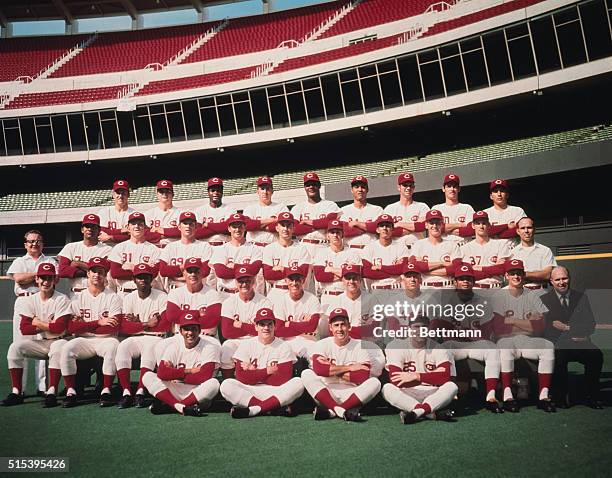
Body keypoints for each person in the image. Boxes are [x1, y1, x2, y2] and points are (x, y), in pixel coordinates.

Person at [430, 264, 502, 412]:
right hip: (455, 343)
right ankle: (451, 394)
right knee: (443, 350)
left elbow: (485, 334)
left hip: (474, 342)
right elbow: (440, 328)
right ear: (455, 282)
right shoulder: (446, 301)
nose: (465, 282)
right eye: (461, 279)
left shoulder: (484, 302)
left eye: (468, 279)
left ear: (473, 282)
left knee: (492, 349)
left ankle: (491, 396)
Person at [3, 263, 72, 408]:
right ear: (37, 279)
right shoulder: (30, 299)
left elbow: (59, 328)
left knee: (57, 348)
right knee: (15, 347)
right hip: (43, 342)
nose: (46, 282)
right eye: (42, 278)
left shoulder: (62, 299)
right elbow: (25, 329)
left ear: (55, 280)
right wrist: (48, 326)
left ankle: (51, 392)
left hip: (60, 340)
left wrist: (38, 322)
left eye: (49, 278)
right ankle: (16, 391)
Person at [492, 259, 555, 413]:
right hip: (505, 340)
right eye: (512, 273)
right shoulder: (498, 295)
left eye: (519, 273)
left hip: (527, 340)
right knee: (506, 347)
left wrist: (511, 320)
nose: (516, 276)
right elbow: (499, 328)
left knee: (548, 347)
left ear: (523, 275)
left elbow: (540, 326)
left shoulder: (532, 295)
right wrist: (527, 323)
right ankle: (507, 396)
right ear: (506, 275)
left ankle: (543, 396)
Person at [220, 308, 304, 418]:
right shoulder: (246, 345)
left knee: (298, 383)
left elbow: (282, 380)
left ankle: (254, 410)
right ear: (256, 327)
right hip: (251, 390)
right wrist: (267, 371)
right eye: (262, 324)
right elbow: (241, 377)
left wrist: (254, 371)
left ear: (275, 326)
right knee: (226, 385)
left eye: (270, 324)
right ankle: (270, 408)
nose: (266, 328)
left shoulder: (284, 346)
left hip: (276, 391)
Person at [60, 257, 123, 408]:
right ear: (88, 274)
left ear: (105, 275)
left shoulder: (113, 297)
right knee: (67, 348)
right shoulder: (77, 297)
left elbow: (112, 328)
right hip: (84, 340)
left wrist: (84, 325)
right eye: (93, 271)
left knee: (113, 346)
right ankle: (70, 391)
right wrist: (98, 323)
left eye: (100, 272)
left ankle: (106, 390)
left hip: (106, 339)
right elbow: (70, 327)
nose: (96, 275)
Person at [301, 307, 382, 421]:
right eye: (336, 325)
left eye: (343, 324)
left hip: (352, 394)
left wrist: (331, 369)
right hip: (326, 393)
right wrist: (350, 368)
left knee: (375, 382)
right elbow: (320, 369)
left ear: (349, 326)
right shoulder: (322, 344)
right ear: (330, 328)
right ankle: (341, 410)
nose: (340, 329)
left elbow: (362, 375)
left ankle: (333, 411)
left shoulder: (360, 346)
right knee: (306, 373)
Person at [541, 266, 603, 409]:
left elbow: (590, 325)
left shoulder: (581, 297)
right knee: (558, 355)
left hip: (581, 342)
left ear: (569, 279)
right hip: (560, 344)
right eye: (557, 279)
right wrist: (574, 333)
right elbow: (547, 329)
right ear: (551, 281)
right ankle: (560, 396)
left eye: (564, 278)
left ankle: (591, 396)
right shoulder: (544, 300)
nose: (561, 282)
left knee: (596, 356)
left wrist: (567, 328)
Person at [6, 229, 57, 396]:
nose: (35, 244)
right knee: (21, 343)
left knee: (42, 343)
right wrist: (42, 274)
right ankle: (19, 389)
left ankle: (42, 387)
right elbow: (19, 279)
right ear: (25, 244)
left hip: (44, 301)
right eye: (31, 241)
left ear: (43, 243)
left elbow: (54, 278)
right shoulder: (19, 261)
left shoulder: (50, 259)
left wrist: (33, 277)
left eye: (38, 241)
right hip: (24, 300)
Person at [142, 310, 220, 417]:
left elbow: (204, 376)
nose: (190, 333)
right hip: (175, 389)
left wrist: (176, 375)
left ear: (199, 330)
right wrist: (189, 371)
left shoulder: (209, 347)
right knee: (147, 376)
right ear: (180, 330)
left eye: (194, 329)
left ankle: (172, 406)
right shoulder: (174, 346)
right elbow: (162, 373)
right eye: (186, 329)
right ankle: (182, 407)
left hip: (196, 392)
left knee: (213, 384)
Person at [382, 315, 458, 424]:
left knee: (452, 386)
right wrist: (433, 377)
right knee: (387, 388)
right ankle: (427, 412)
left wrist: (416, 376)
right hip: (407, 393)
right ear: (409, 328)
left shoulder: (438, 348)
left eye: (424, 327)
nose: (420, 330)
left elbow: (445, 377)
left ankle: (416, 412)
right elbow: (395, 380)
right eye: (416, 326)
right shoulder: (397, 346)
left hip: (432, 393)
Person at [115, 263, 169, 409]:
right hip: (137, 336)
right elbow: (125, 327)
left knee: (149, 350)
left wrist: (137, 324)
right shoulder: (129, 298)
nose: (143, 280)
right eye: (139, 277)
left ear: (151, 279)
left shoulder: (162, 297)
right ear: (134, 280)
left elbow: (164, 325)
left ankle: (140, 391)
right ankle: (126, 391)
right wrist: (146, 324)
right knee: (122, 347)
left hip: (156, 337)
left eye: (146, 277)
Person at [219, 265, 273, 377]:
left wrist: (241, 325)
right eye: (241, 281)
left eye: (247, 281)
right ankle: (228, 381)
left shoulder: (264, 302)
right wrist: (252, 328)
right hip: (236, 340)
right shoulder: (229, 302)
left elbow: (265, 331)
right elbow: (226, 332)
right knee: (226, 349)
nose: (244, 284)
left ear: (253, 281)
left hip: (257, 340)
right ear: (235, 282)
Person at [271, 266, 321, 359]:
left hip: (309, 341)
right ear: (286, 281)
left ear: (303, 280)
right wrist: (304, 326)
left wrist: (289, 324)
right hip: (287, 341)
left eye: (297, 279)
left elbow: (312, 326)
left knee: (315, 358)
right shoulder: (280, 300)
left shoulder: (312, 299)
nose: (294, 283)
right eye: (291, 279)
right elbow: (278, 331)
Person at [209, 213, 263, 299]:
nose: (237, 229)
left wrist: (234, 266)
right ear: (229, 229)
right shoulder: (221, 249)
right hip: (226, 294)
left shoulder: (255, 249)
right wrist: (246, 270)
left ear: (245, 228)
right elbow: (221, 273)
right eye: (234, 227)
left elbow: (254, 270)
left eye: (240, 226)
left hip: (248, 294)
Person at [108, 212, 162, 297]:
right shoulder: (119, 247)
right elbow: (115, 273)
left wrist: (133, 268)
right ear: (128, 227)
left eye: (140, 224)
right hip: (124, 292)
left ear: (145, 228)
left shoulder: (154, 250)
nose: (136, 226)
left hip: (147, 293)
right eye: (133, 224)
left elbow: (154, 273)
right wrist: (145, 269)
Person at [57, 214, 112, 296]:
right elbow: (62, 271)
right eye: (87, 226)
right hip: (76, 293)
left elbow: (106, 271)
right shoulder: (71, 247)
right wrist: (94, 271)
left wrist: (78, 264)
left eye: (93, 227)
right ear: (82, 229)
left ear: (99, 230)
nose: (90, 229)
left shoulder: (107, 249)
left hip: (98, 293)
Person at [312, 219, 362, 308]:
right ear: (327, 236)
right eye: (332, 232)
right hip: (328, 296)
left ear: (342, 234)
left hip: (348, 296)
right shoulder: (321, 253)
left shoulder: (353, 253)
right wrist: (345, 273)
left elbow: (356, 275)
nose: (335, 235)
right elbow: (320, 276)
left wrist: (331, 269)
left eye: (338, 232)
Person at [262, 211, 311, 301]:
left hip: (296, 292)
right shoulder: (269, 249)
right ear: (277, 228)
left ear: (293, 228)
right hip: (276, 291)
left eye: (289, 226)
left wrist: (282, 269)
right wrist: (293, 272)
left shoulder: (301, 249)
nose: (286, 228)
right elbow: (268, 275)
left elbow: (303, 274)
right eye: (283, 225)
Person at [158, 211, 213, 290]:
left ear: (196, 227)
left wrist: (176, 273)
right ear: (179, 227)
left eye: (191, 224)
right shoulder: (170, 247)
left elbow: (205, 271)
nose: (188, 226)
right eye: (185, 223)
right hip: (174, 290)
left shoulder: (204, 246)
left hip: (197, 290)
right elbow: (163, 271)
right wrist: (183, 267)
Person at [291, 171, 341, 256]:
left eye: (314, 184)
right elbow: (294, 229)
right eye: (308, 185)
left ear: (319, 186)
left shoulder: (330, 204)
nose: (311, 187)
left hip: (324, 246)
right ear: (305, 187)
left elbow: (330, 222)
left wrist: (309, 222)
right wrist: (319, 225)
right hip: (303, 246)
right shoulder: (298, 207)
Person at [410, 209, 461, 288]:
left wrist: (427, 270)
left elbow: (456, 268)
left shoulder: (452, 244)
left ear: (442, 225)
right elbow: (414, 266)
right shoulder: (418, 244)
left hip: (447, 286)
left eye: (437, 223)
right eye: (431, 223)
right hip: (426, 287)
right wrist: (442, 263)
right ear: (426, 225)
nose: (434, 226)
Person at [460, 211, 510, 289]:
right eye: (478, 223)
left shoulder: (501, 245)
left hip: (496, 288)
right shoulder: (464, 248)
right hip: (475, 288)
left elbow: (502, 269)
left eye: (484, 223)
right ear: (473, 225)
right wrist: (493, 269)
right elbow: (466, 273)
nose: (481, 226)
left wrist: (480, 268)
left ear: (489, 225)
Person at [361, 214, 408, 293]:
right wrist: (393, 271)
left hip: (396, 290)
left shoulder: (401, 247)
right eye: (382, 226)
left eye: (388, 226)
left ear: (393, 229)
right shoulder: (369, 248)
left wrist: (380, 268)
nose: (385, 228)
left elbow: (402, 269)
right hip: (376, 290)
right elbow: (367, 272)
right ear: (377, 230)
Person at [510, 217, 556, 294]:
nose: (526, 231)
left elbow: (548, 275)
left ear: (534, 229)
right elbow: (511, 278)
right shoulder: (512, 253)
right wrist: (538, 274)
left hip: (542, 292)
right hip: (521, 293)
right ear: (518, 231)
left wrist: (523, 274)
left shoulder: (545, 250)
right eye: (523, 228)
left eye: (529, 227)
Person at [383, 172, 429, 250]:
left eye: (410, 185)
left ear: (414, 187)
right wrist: (413, 227)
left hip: (418, 248)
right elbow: (387, 232)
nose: (408, 188)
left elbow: (422, 226)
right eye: (405, 185)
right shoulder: (389, 209)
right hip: (396, 249)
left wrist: (399, 224)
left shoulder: (422, 206)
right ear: (399, 187)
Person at [243, 176, 289, 248]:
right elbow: (247, 226)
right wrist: (272, 220)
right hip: (253, 246)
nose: (265, 192)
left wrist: (256, 225)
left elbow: (284, 228)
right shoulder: (250, 208)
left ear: (272, 191)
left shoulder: (281, 207)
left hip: (273, 246)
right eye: (262, 189)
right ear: (257, 191)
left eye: (268, 189)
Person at [339, 176, 383, 250]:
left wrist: (357, 224)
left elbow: (379, 229)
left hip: (371, 250)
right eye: (356, 187)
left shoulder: (377, 209)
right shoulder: (344, 210)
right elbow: (344, 231)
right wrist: (368, 227)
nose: (360, 190)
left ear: (367, 190)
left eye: (363, 187)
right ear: (352, 190)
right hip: (350, 250)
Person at [194, 177, 238, 247]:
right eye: (213, 190)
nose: (216, 193)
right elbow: (197, 233)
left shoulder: (231, 209)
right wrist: (221, 227)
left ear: (222, 192)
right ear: (208, 192)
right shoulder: (199, 210)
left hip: (225, 245)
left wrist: (208, 226)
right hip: (205, 246)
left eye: (218, 190)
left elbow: (230, 229)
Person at [432, 173, 474, 243]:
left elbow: (471, 230)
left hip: (463, 245)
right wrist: (460, 225)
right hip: (443, 246)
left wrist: (446, 229)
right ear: (443, 189)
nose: (452, 189)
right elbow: (434, 229)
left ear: (459, 189)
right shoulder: (436, 208)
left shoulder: (467, 208)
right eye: (449, 186)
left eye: (455, 186)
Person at [484, 179, 525, 248]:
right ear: (491, 196)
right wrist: (507, 227)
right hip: (492, 252)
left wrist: (496, 233)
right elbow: (485, 232)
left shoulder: (517, 211)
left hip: (513, 250)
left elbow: (522, 230)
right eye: (496, 191)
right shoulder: (486, 213)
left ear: (507, 195)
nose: (499, 194)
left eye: (502, 191)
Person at [97, 179, 135, 245]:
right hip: (106, 249)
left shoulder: (134, 214)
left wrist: (110, 237)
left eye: (123, 193)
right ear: (113, 195)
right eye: (118, 193)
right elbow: (101, 231)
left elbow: (132, 236)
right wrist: (121, 231)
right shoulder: (104, 212)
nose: (120, 196)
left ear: (128, 195)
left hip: (127, 249)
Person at [146, 179, 181, 247]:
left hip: (175, 248)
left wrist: (161, 230)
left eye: (167, 191)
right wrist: (169, 234)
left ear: (173, 194)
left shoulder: (180, 213)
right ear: (157, 194)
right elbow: (143, 234)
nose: (164, 194)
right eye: (161, 192)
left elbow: (183, 232)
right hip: (154, 248)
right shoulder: (148, 214)